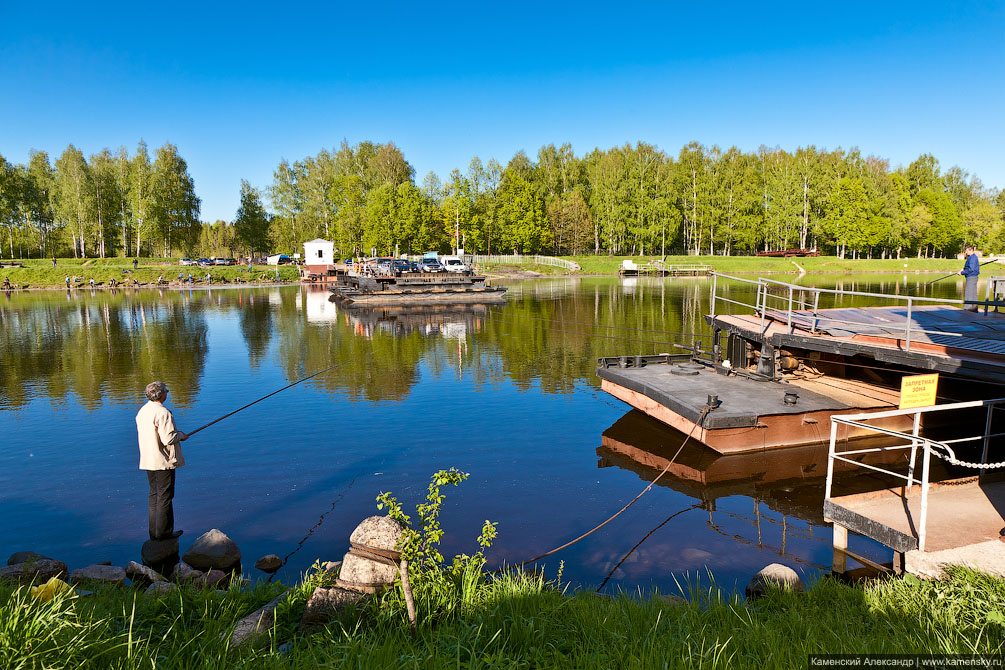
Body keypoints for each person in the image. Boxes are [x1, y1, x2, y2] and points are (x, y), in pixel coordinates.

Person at [135, 381, 188, 541]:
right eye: (166, 391)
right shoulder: (163, 412)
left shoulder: (143, 411)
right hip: (163, 461)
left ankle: (155, 533)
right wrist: (181, 435)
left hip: (148, 459)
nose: (167, 393)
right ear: (162, 394)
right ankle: (164, 533)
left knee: (154, 495)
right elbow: (168, 438)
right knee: (165, 496)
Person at [960, 244, 980, 312]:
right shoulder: (972, 257)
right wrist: (963, 269)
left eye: (967, 251)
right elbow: (970, 267)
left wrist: (962, 273)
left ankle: (968, 309)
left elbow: (971, 269)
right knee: (973, 293)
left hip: (971, 277)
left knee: (969, 293)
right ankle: (974, 309)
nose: (966, 252)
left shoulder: (973, 258)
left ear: (971, 250)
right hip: (972, 277)